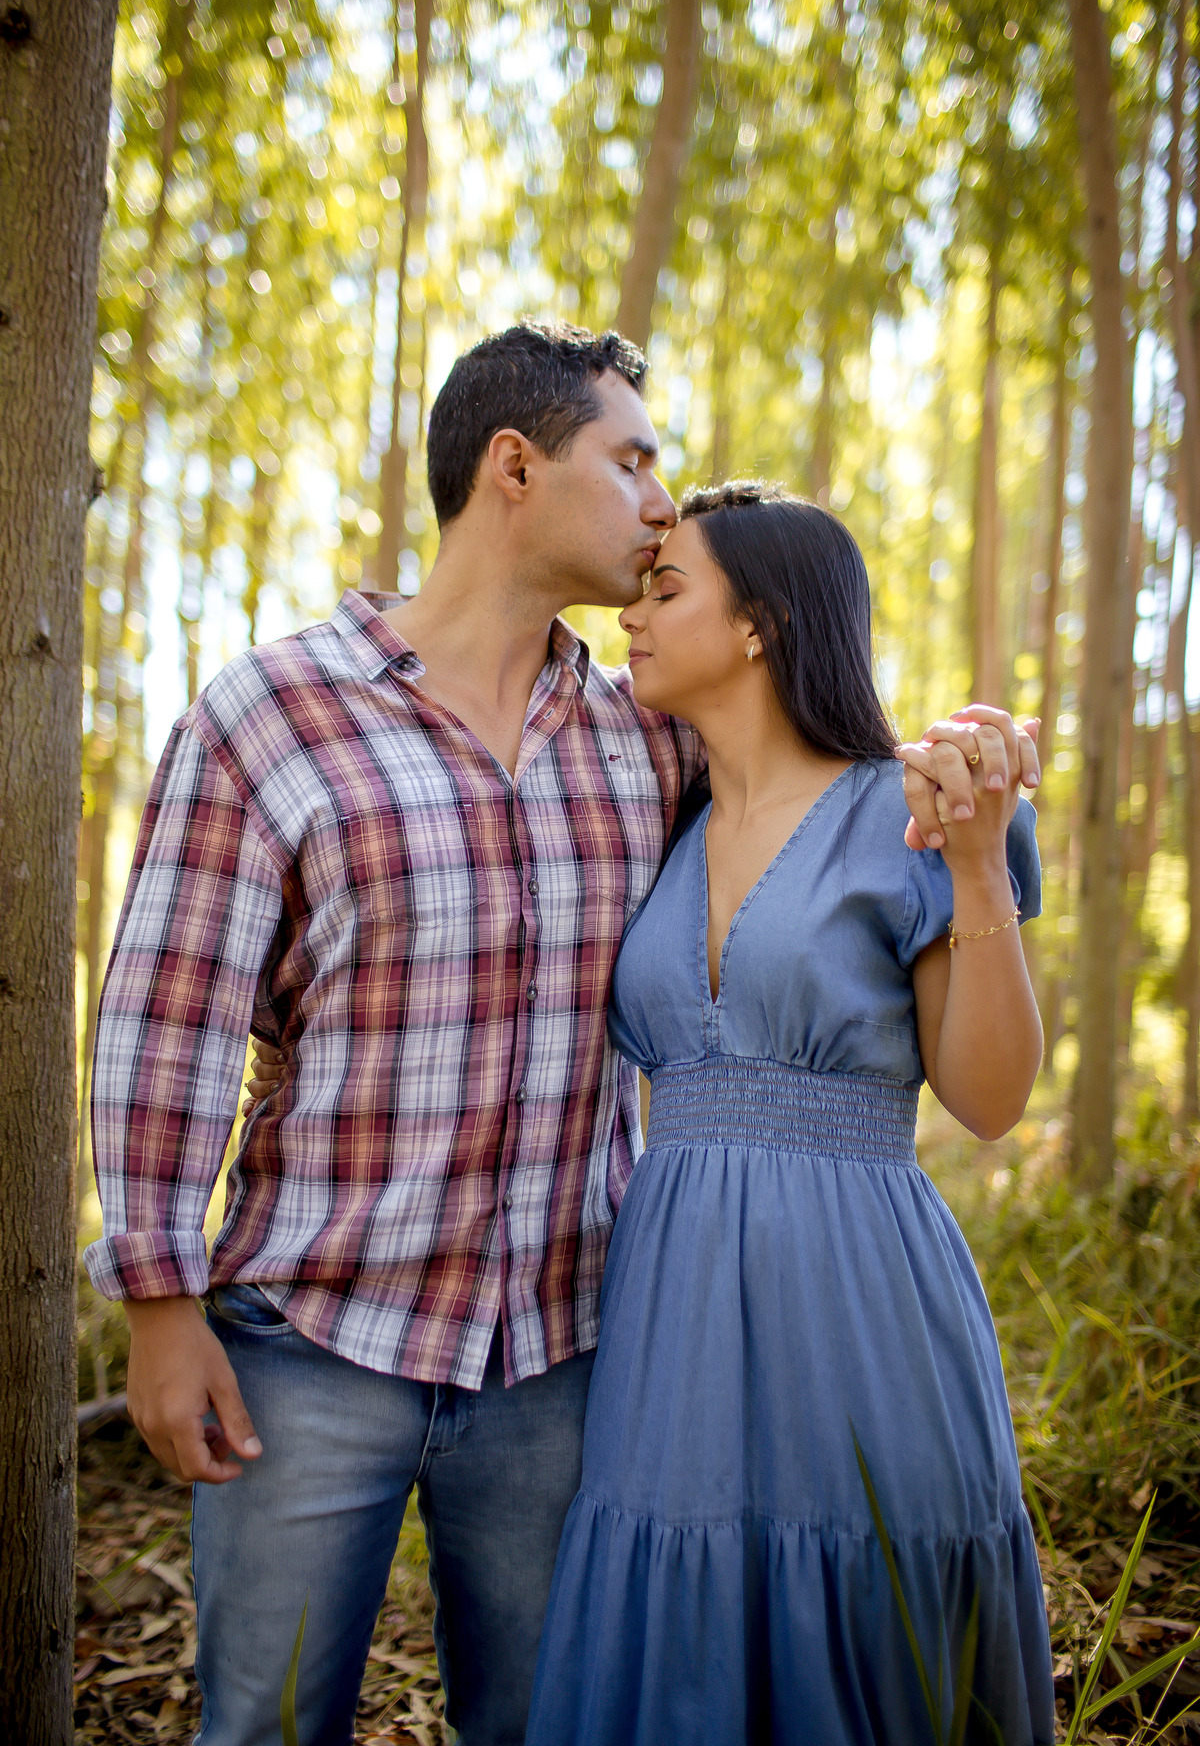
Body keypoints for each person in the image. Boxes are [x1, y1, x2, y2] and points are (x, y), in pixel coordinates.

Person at [85, 322, 1033, 1746]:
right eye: (635, 458)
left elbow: (819, 775)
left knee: (560, 1721)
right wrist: (160, 1307)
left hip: (565, 1351)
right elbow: (169, 1018)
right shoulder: (271, 717)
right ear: (515, 466)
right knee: (267, 1724)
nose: (662, 500)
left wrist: (981, 793)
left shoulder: (641, 742)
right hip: (315, 1342)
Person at [522, 483, 1055, 1746]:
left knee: (866, 1610)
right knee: (682, 1615)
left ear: (758, 624)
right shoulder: (657, 821)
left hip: (861, 1292)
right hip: (672, 1305)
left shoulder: (911, 812)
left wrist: (979, 864)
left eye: (667, 590)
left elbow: (989, 1099)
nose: (633, 621)